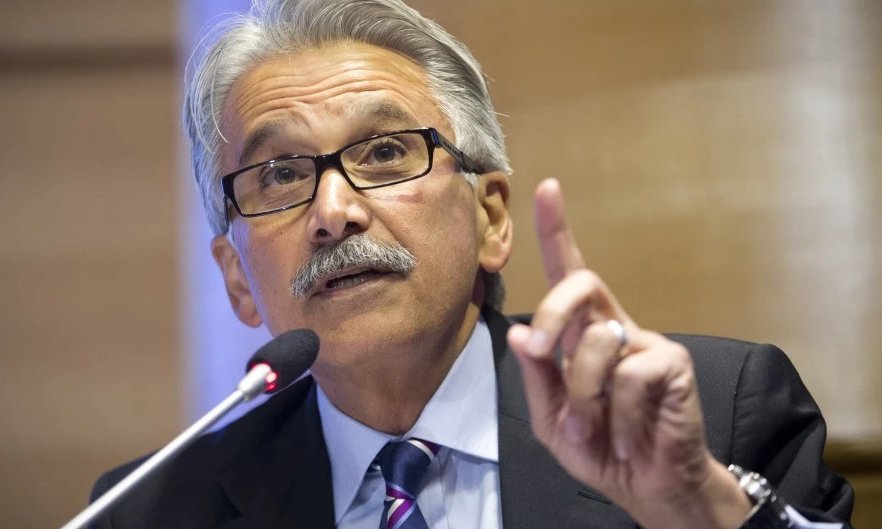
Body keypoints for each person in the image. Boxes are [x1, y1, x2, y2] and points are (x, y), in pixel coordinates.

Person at [90, 0, 854, 527]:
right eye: (282, 173)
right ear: (236, 278)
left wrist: (697, 507)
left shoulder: (717, 417)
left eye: (383, 152)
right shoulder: (150, 510)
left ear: (490, 218)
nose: (332, 211)